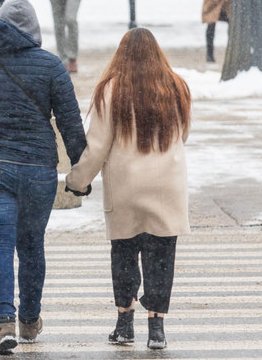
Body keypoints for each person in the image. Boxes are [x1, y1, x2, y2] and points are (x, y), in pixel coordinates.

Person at [0, 0, 85, 353]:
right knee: (32, 245)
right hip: (39, 171)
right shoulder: (51, 66)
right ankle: (29, 320)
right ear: (34, 31)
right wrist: (80, 173)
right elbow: (71, 126)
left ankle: (3, 322)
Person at [66, 27, 190, 351]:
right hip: (167, 186)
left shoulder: (110, 91)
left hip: (125, 188)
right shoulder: (176, 87)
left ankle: (124, 324)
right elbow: (183, 136)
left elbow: (96, 147)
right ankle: (157, 328)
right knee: (161, 256)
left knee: (124, 254)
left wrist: (77, 182)